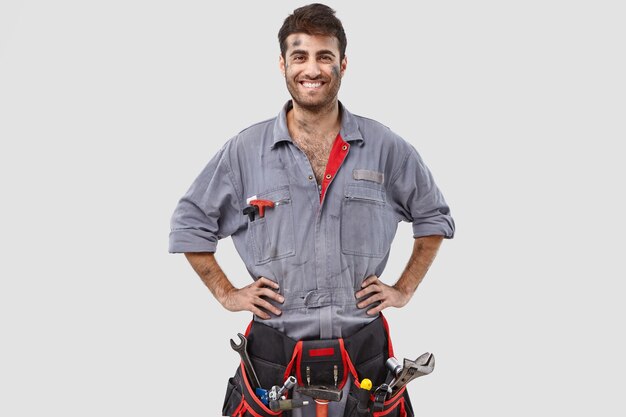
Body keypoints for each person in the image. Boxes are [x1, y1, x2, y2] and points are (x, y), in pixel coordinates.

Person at [169, 3, 454, 416]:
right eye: (300, 56)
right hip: (272, 357)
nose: (312, 68)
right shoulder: (244, 153)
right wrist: (227, 293)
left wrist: (404, 289)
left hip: (365, 355)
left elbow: (434, 218)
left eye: (324, 56)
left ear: (342, 63)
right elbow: (189, 224)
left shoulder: (386, 148)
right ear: (283, 63)